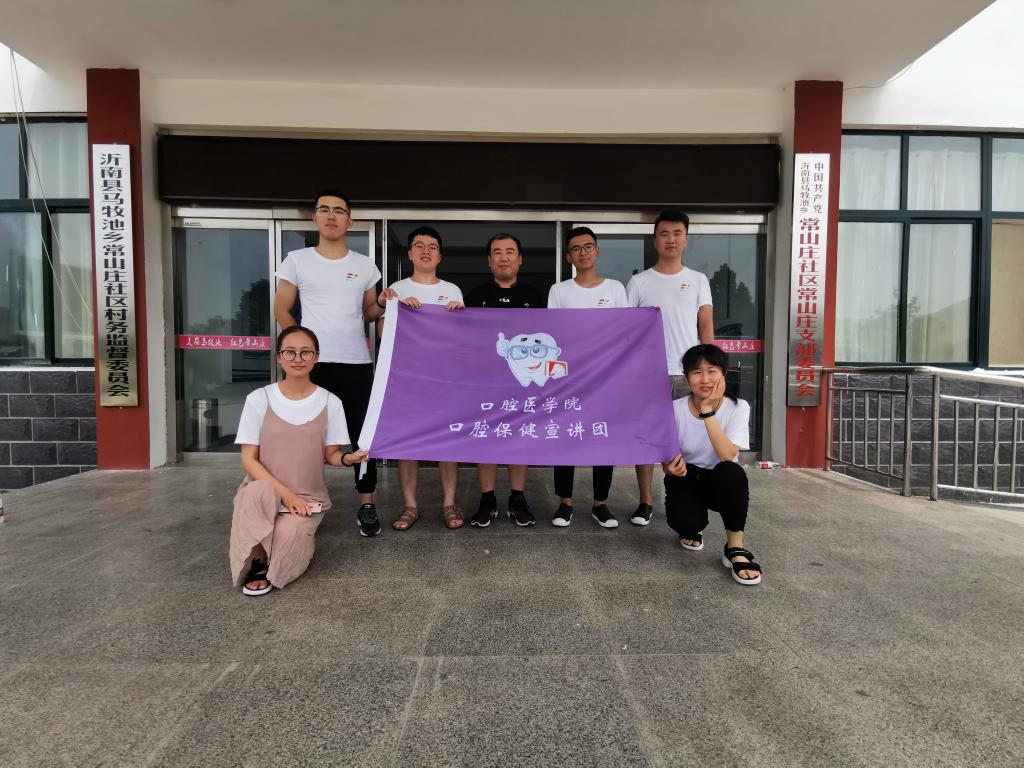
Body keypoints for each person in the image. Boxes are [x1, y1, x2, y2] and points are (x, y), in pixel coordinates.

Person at [273, 190, 386, 538]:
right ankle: (301, 501)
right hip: (312, 366)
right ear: (315, 218)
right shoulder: (296, 260)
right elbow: (281, 308)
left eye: (339, 211)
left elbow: (369, 313)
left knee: (364, 436)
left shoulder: (365, 265)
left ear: (350, 221)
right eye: (324, 210)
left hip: (356, 362)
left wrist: (383, 302)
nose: (331, 215)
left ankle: (366, 503)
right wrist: (299, 350)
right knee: (302, 435)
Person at [230, 325, 368, 596]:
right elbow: (249, 460)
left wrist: (349, 458)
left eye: (306, 352)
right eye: (290, 352)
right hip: (263, 493)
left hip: (306, 499)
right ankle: (259, 558)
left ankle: (289, 545)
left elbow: (331, 455)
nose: (298, 358)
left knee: (287, 539)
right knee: (255, 495)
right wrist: (287, 496)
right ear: (279, 357)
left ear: (316, 357)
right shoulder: (259, 399)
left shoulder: (330, 402)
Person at [626, 209, 714, 527]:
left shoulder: (698, 280)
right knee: (647, 439)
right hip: (649, 375)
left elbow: (706, 327)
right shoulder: (638, 282)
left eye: (677, 233)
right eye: (664, 234)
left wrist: (709, 371)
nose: (671, 239)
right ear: (655, 240)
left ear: (686, 239)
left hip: (688, 374)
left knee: (689, 439)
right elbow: (627, 332)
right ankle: (645, 501)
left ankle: (685, 498)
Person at [378, 226, 466, 531]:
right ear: (410, 254)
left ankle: (449, 504)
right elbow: (382, 333)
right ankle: (410, 506)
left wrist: (459, 315)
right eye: (420, 246)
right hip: (408, 380)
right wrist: (399, 311)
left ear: (439, 256)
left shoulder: (452, 290)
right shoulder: (397, 288)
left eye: (432, 247)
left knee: (447, 443)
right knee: (408, 443)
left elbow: (462, 338)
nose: (426, 251)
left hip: (445, 380)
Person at [547, 226, 628, 529]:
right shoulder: (559, 290)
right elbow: (552, 334)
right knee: (565, 437)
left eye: (588, 246)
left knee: (602, 435)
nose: (583, 252)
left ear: (597, 250)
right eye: (576, 249)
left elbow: (625, 331)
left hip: (606, 377)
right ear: (569, 256)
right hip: (569, 377)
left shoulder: (615, 289)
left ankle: (600, 504)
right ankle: (565, 503)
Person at [662, 344, 761, 586]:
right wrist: (668, 467)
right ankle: (694, 525)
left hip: (721, 480)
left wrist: (707, 411)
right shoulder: (674, 409)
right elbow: (666, 456)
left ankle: (735, 548)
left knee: (732, 471)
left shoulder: (738, 407)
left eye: (712, 371)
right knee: (686, 524)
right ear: (686, 377)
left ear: (724, 374)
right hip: (688, 477)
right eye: (697, 372)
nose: (705, 379)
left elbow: (727, 455)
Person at [465, 233, 546, 527]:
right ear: (489, 260)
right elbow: (465, 337)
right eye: (497, 252)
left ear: (520, 259)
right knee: (486, 437)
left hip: (522, 382)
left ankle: (517, 499)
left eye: (510, 251)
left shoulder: (536, 296)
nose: (503, 257)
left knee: (519, 438)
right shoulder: (475, 295)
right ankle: (487, 499)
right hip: (485, 381)